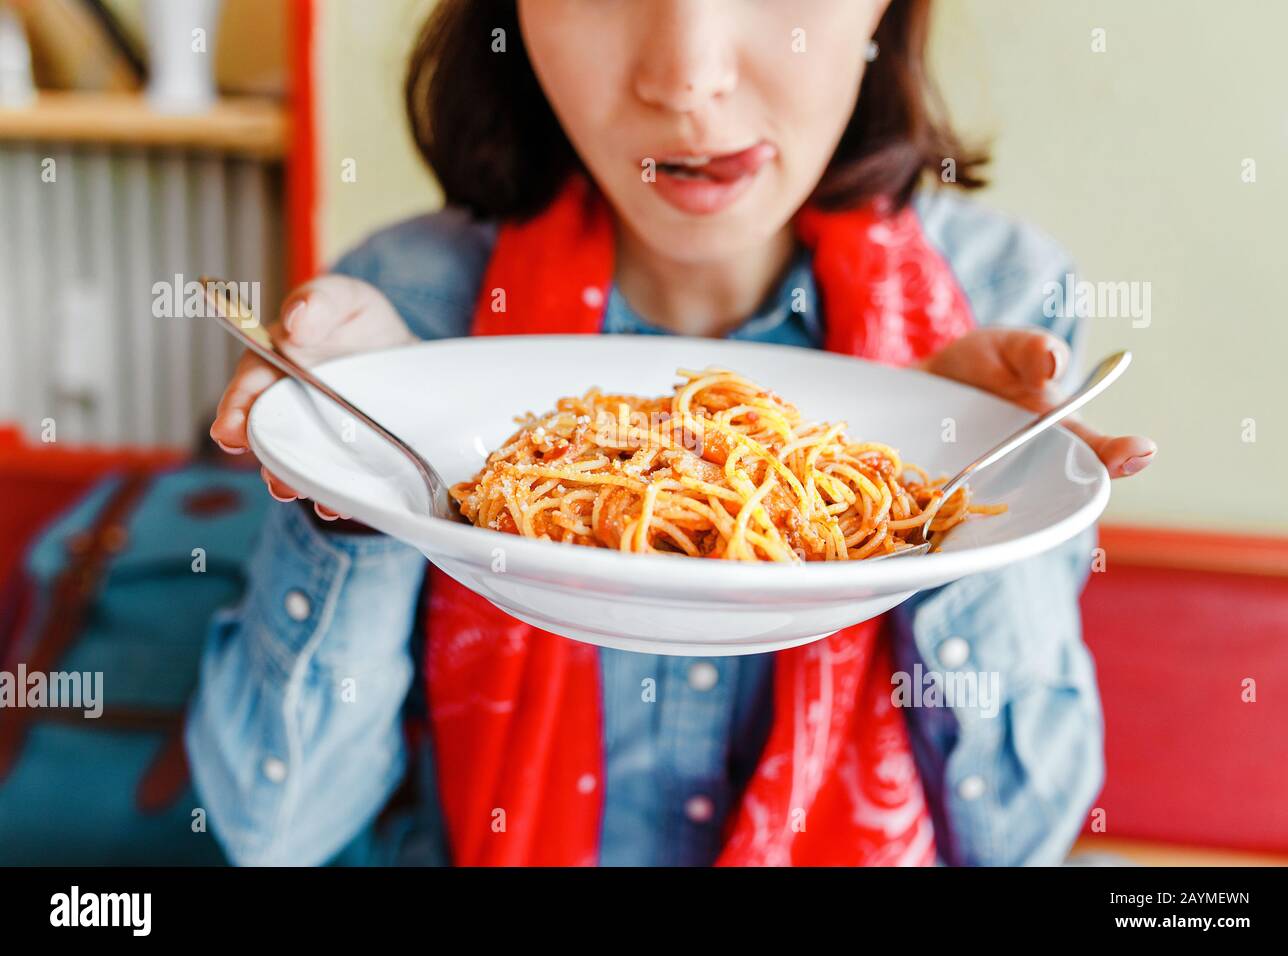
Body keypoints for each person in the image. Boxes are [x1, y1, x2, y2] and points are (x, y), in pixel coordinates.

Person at [188, 0, 1156, 866]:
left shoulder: (995, 295)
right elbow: (272, 829)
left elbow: (1023, 834)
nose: (688, 77)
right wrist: (365, 477)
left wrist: (953, 496)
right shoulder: (416, 304)